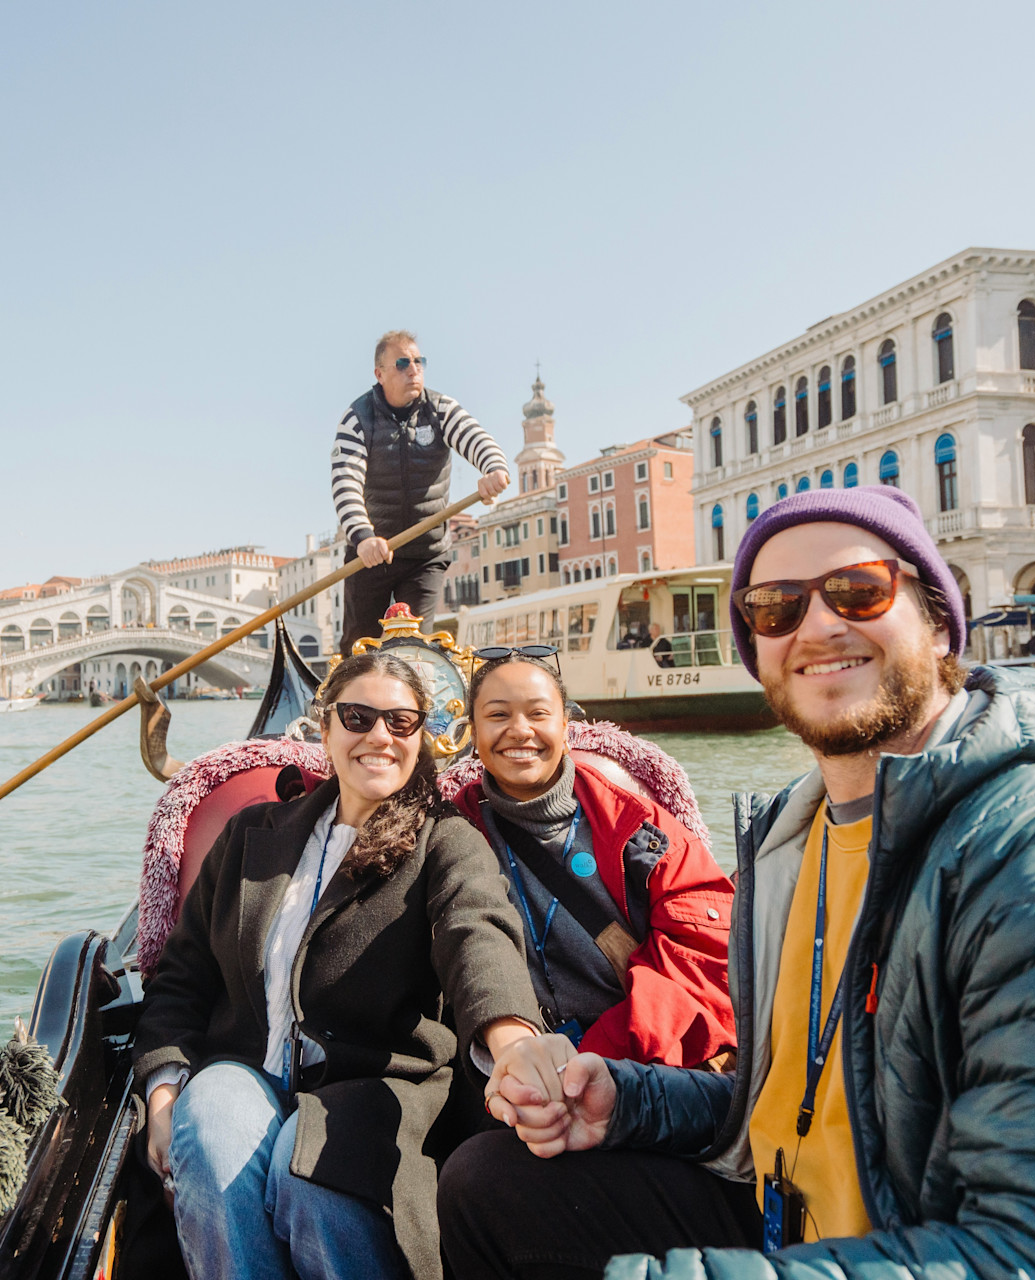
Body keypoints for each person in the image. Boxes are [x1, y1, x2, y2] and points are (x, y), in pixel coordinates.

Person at [441, 485, 1035, 1279]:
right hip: (813, 1217)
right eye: (776, 607)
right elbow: (800, 1104)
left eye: (859, 590)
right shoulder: (795, 840)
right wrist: (627, 1099)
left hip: (961, 1239)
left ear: (940, 621)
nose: (817, 627)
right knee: (490, 1183)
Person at [135, 651, 542, 1280]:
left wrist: (512, 1039)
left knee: (310, 1171)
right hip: (243, 1073)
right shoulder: (250, 834)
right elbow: (182, 980)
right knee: (211, 1116)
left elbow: (478, 933)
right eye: (357, 717)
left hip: (375, 1091)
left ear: (420, 738)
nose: (379, 735)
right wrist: (163, 1095)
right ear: (324, 729)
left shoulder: (445, 841)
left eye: (400, 722)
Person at [448, 650, 733, 1067]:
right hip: (515, 1064)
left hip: (640, 1063)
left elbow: (700, 959)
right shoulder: (454, 829)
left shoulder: (640, 826)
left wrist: (597, 1058)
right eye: (498, 715)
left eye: (538, 714)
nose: (520, 730)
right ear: (474, 734)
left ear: (566, 728)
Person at [331, 331, 512, 655]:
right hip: (371, 553)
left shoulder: (441, 410)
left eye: (418, 361)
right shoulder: (357, 418)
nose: (413, 369)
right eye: (402, 363)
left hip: (425, 555)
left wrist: (493, 470)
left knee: (414, 648)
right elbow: (346, 480)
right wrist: (363, 537)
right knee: (358, 650)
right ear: (380, 374)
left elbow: (478, 440)